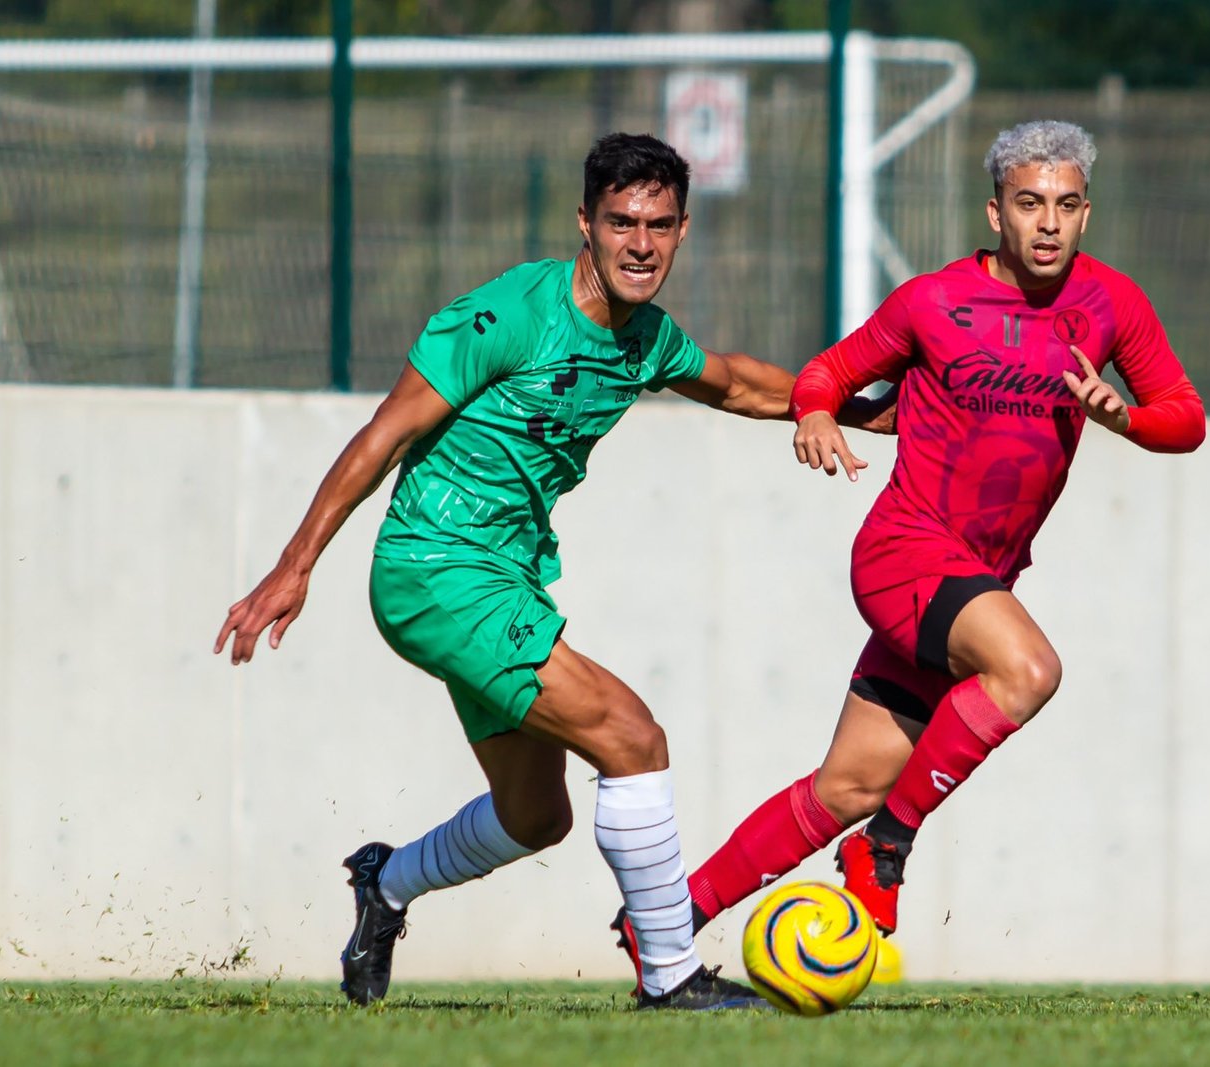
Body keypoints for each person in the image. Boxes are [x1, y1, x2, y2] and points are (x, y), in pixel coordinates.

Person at [214, 132, 887, 1010]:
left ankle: (384, 887)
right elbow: (386, 433)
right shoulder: (509, 314)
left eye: (658, 224)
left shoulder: (644, 339)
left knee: (537, 816)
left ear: (683, 230)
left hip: (504, 580)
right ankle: (671, 974)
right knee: (633, 737)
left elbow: (731, 383)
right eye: (620, 222)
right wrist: (293, 565)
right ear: (586, 223)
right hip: (437, 567)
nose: (639, 243)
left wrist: (852, 406)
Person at [612, 119, 1206, 977]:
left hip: (973, 582)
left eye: (1068, 206)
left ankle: (663, 920)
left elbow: (1184, 420)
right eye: (1030, 203)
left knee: (845, 786)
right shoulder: (933, 301)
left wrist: (1126, 416)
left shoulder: (1112, 303)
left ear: (1088, 214)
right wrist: (815, 412)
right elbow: (828, 371)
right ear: (995, 210)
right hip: (905, 553)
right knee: (1030, 670)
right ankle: (885, 849)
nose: (1048, 223)